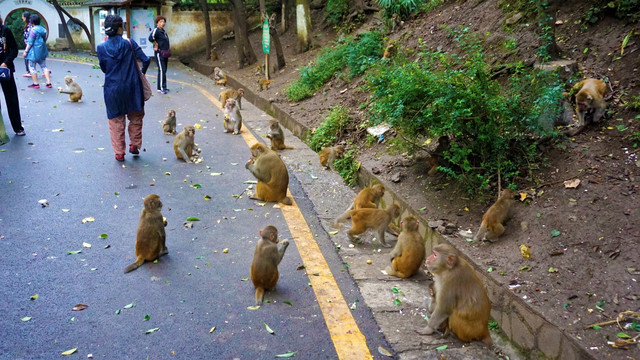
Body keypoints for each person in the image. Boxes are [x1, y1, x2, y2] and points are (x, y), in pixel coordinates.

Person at [96, 14, 150, 162]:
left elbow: (104, 69)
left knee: (115, 121)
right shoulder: (129, 43)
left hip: (112, 89)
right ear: (120, 28)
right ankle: (134, 145)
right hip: (133, 87)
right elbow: (145, 60)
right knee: (136, 117)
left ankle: (119, 152)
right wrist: (142, 74)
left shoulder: (101, 48)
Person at [0, 15, 25, 136]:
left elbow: (14, 49)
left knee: (12, 99)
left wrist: (6, 62)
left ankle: (18, 127)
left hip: (5, 69)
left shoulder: (5, 30)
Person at [23, 14, 51, 89]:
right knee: (44, 66)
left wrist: (26, 51)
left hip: (34, 52)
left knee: (31, 67)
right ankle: (48, 82)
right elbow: (44, 39)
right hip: (42, 51)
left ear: (32, 22)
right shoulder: (43, 29)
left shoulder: (33, 30)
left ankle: (36, 83)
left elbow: (30, 42)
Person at [148, 15, 170, 94]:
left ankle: (160, 87)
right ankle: (162, 88)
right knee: (162, 70)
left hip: (165, 53)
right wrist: (155, 44)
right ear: (157, 23)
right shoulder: (156, 30)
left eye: (163, 22)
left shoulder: (163, 31)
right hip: (159, 53)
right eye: (160, 22)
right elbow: (150, 38)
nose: (162, 23)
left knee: (163, 70)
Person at [21, 11, 32, 77]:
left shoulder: (29, 26)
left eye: (23, 16)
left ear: (25, 17)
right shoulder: (29, 25)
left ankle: (29, 71)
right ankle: (45, 69)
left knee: (27, 57)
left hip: (29, 44)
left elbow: (29, 36)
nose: (22, 18)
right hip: (28, 43)